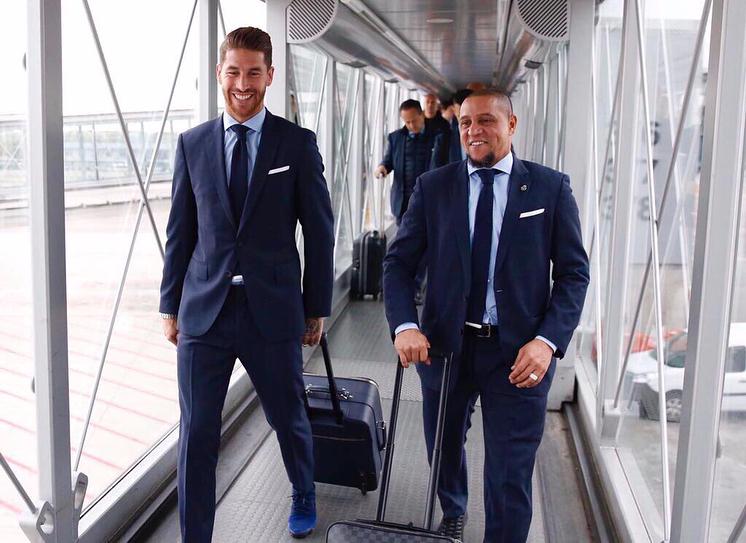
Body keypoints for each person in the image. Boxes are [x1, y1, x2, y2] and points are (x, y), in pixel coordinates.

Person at [383, 89, 589, 542]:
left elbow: (574, 274)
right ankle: (453, 509)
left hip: (518, 353)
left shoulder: (549, 188)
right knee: (444, 445)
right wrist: (405, 325)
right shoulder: (435, 187)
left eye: (487, 122)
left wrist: (547, 341)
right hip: (444, 348)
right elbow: (398, 264)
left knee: (510, 469)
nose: (474, 131)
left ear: (511, 125)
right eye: (466, 123)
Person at [159, 27, 334, 542]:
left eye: (253, 72)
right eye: (233, 71)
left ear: (270, 75)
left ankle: (304, 490)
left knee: (288, 415)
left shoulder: (296, 144)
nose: (242, 83)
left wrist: (315, 306)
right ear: (219, 74)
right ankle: (196, 535)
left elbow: (320, 230)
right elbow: (180, 231)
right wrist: (170, 305)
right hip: (205, 312)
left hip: (273, 310)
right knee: (196, 435)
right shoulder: (192, 144)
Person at [375, 99, 446, 304]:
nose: (410, 126)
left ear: (422, 115)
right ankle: (401, 286)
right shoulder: (396, 138)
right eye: (406, 122)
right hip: (403, 201)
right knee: (404, 246)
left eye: (413, 121)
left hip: (429, 202)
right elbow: (388, 161)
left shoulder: (437, 137)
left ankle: (415, 286)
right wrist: (382, 168)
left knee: (426, 245)